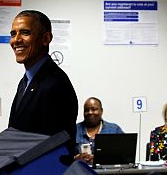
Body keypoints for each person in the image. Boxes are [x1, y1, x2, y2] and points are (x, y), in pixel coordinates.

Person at [7, 10, 78, 155]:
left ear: (46, 38)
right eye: (13, 34)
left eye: (25, 33)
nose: (16, 40)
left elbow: (54, 147)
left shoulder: (56, 84)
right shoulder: (26, 82)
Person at [74, 97, 124, 164]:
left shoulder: (114, 130)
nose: (90, 112)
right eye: (86, 110)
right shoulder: (74, 130)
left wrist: (101, 159)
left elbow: (124, 156)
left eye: (94, 109)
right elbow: (63, 157)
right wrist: (75, 159)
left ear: (101, 111)